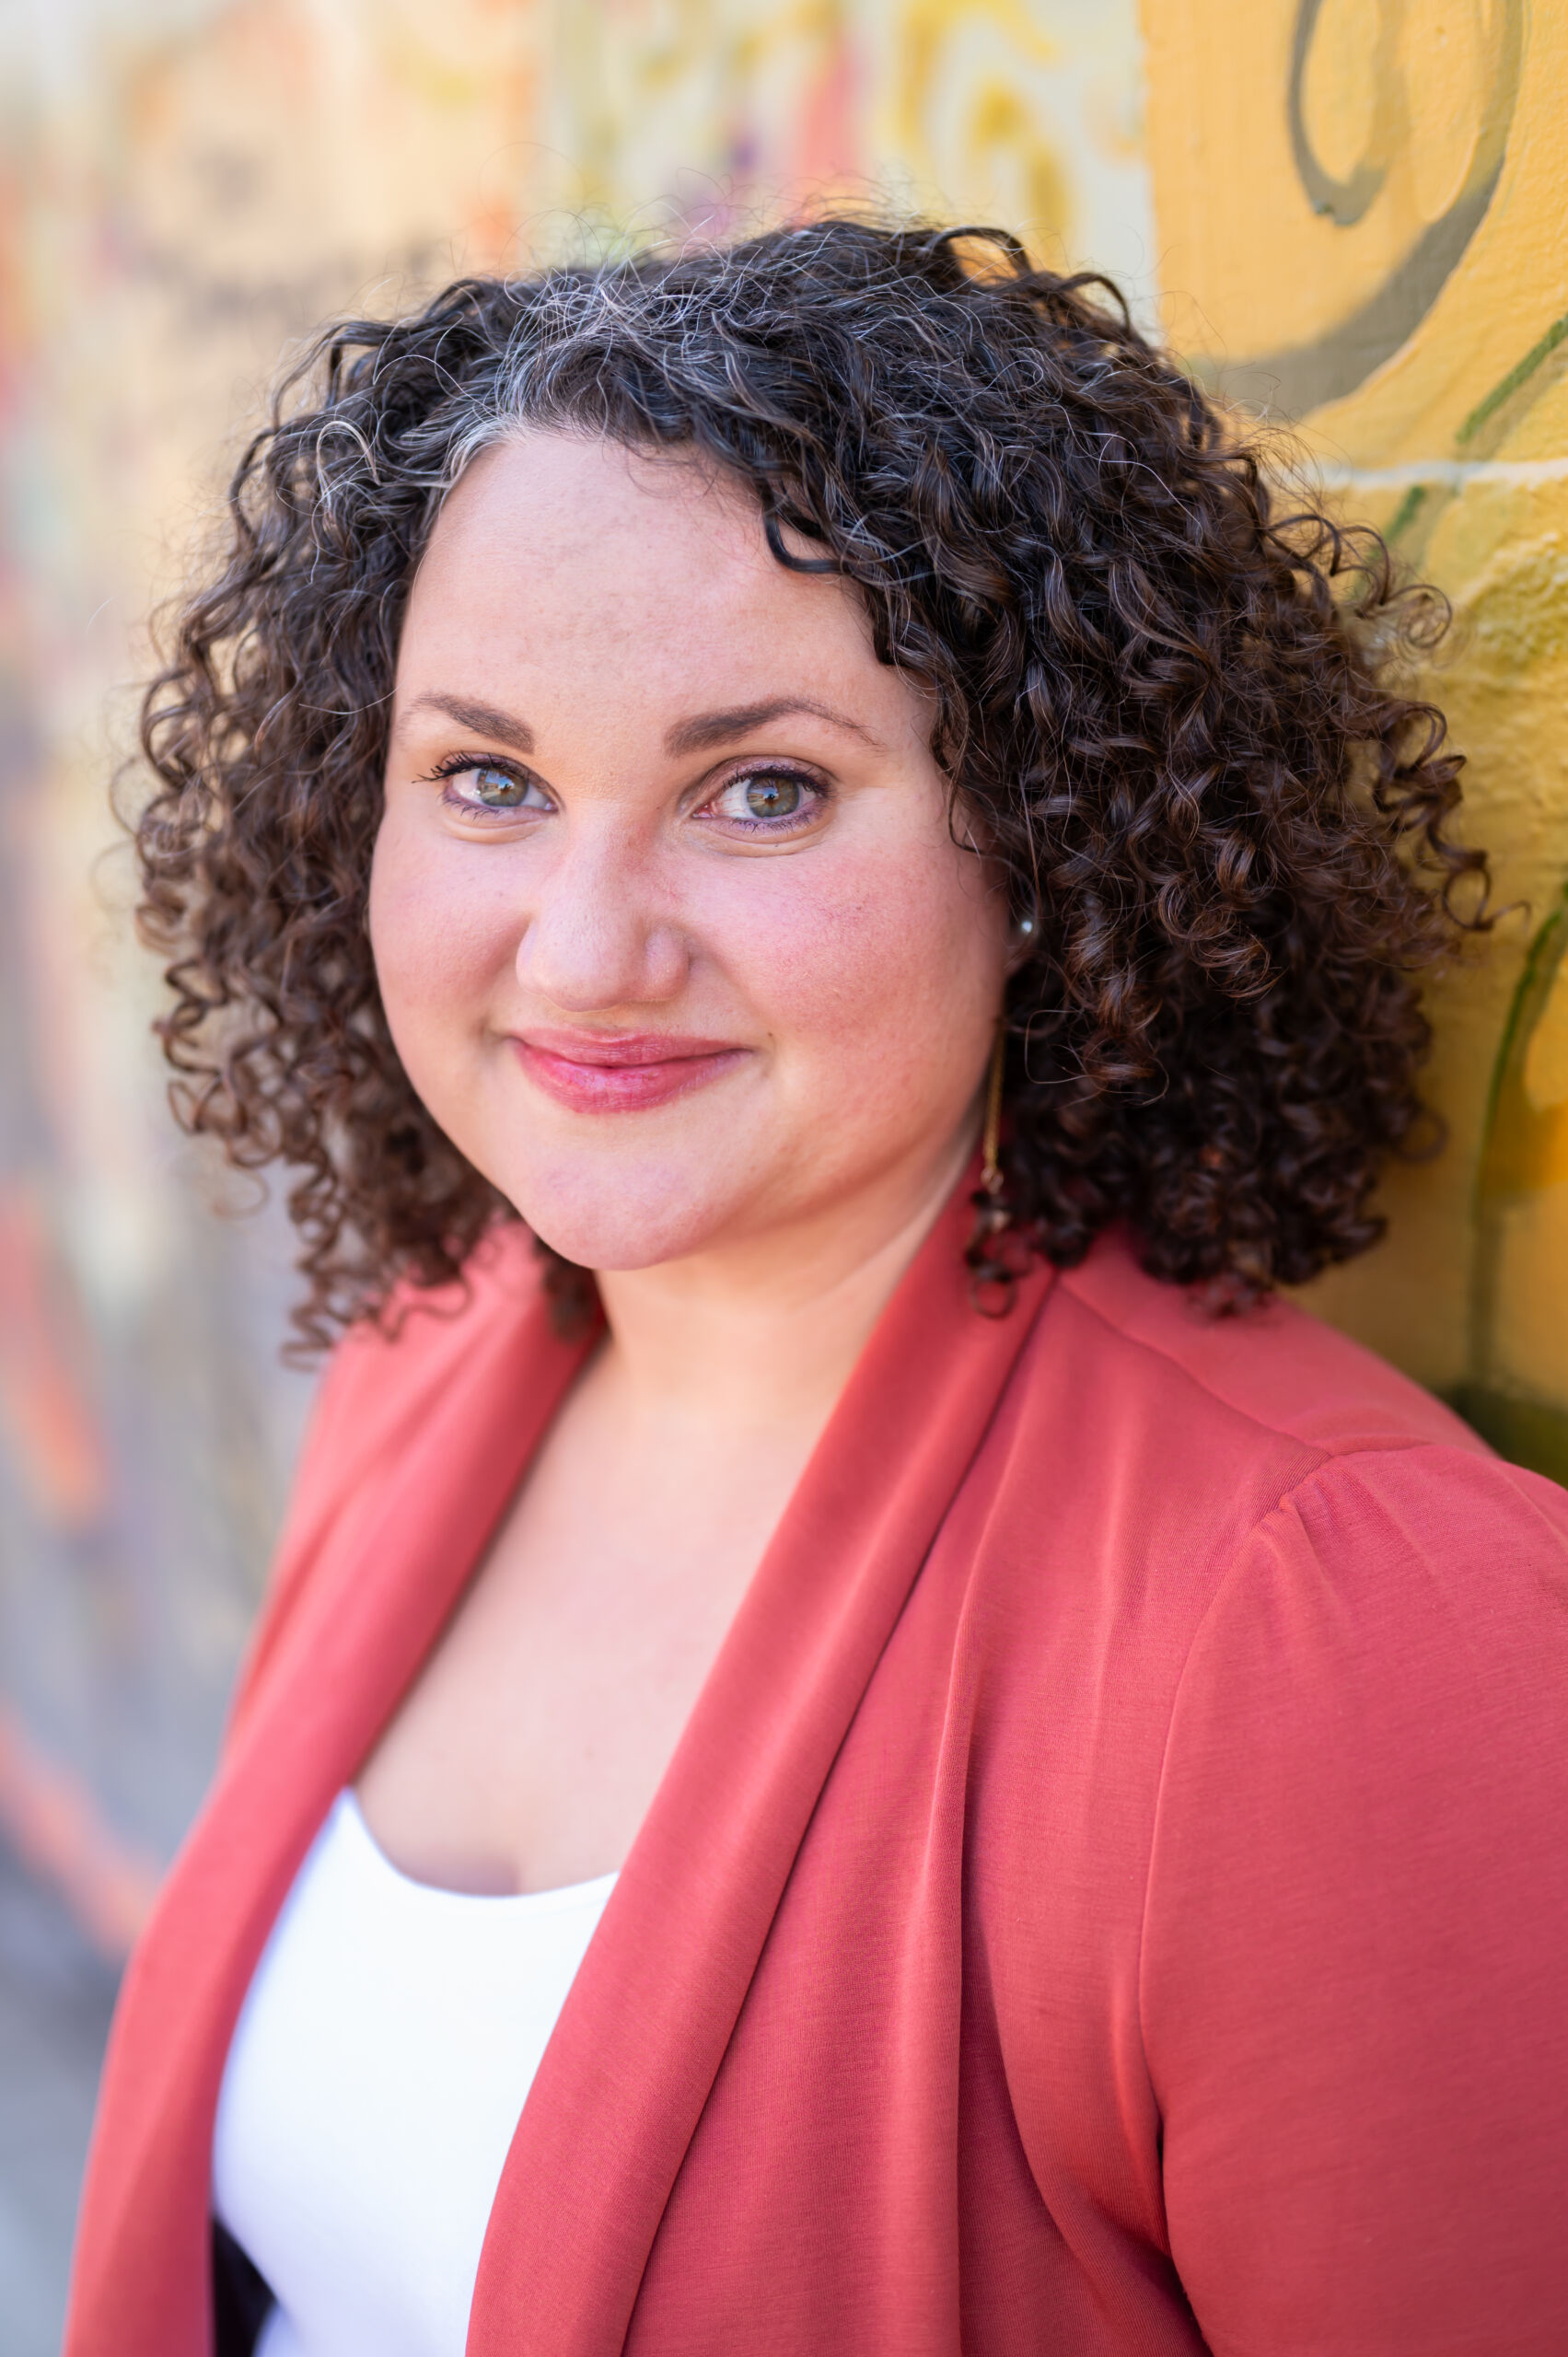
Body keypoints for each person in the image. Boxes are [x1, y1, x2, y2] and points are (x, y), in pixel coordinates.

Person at [66, 219, 1568, 2357]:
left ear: (1046, 838)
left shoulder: (1338, 1628)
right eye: (487, 776)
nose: (584, 950)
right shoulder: (431, 1358)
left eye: (761, 790)